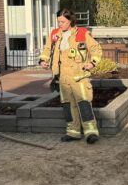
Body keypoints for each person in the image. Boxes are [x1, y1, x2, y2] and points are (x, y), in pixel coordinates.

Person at [40, 9, 102, 144]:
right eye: (58, 22)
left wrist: (92, 63)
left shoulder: (82, 33)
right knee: (68, 105)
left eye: (63, 21)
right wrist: (43, 60)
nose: (60, 24)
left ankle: (91, 132)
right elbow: (47, 49)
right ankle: (73, 132)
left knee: (84, 104)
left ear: (70, 21)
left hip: (79, 76)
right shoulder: (55, 34)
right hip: (63, 77)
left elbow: (96, 49)